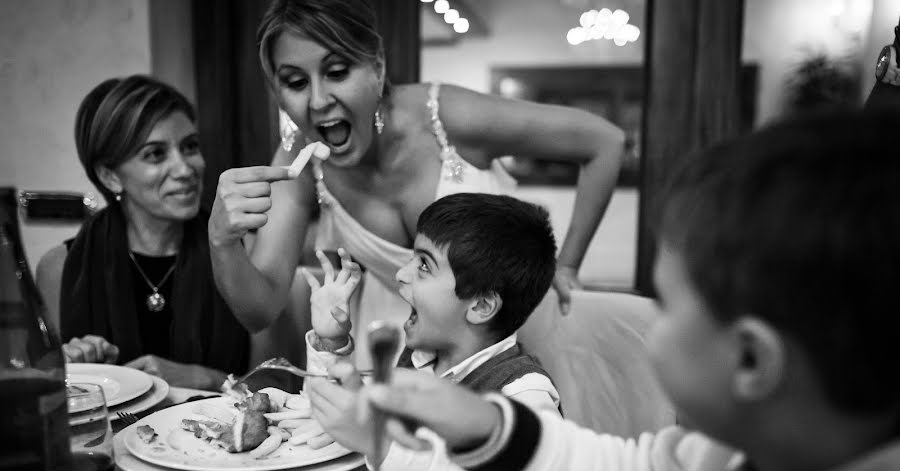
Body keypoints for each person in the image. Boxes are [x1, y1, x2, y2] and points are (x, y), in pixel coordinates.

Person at [347, 110, 900, 471]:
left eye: (670, 303)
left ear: (752, 362)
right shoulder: (716, 457)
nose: (649, 323)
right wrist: (484, 424)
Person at [207, 0, 625, 367]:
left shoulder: (448, 117)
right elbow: (259, 310)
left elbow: (605, 143)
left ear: (377, 66)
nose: (317, 101)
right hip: (401, 351)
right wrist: (221, 240)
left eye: (336, 71)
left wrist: (567, 264)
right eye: (296, 82)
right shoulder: (297, 164)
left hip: (515, 342)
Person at [305, 193, 561, 471]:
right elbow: (339, 419)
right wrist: (331, 341)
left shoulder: (524, 388)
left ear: (480, 306)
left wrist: (384, 445)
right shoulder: (421, 358)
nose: (401, 274)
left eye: (423, 265)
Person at [37, 75, 249, 389]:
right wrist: (77, 372)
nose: (185, 169)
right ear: (110, 177)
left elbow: (279, 382)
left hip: (223, 436)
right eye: (155, 154)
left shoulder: (239, 250)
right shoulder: (60, 268)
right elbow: (48, 398)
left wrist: (206, 378)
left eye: (190, 146)